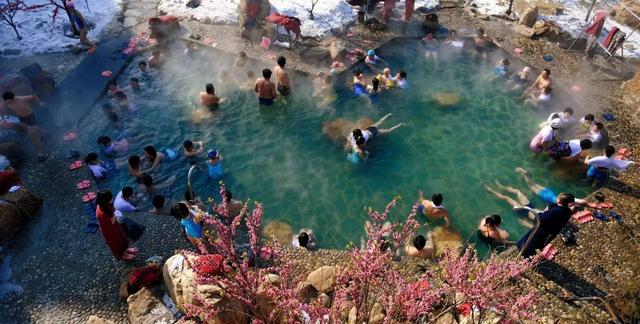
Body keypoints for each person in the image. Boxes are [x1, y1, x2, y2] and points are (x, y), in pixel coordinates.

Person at [517, 193, 575, 257]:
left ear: (558, 200)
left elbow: (541, 218)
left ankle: (525, 254)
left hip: (542, 230)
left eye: (558, 197)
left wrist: (540, 213)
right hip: (551, 232)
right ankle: (530, 253)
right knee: (540, 243)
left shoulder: (555, 211)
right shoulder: (568, 212)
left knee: (529, 242)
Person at [1, 91, 46, 158]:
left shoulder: (21, 99)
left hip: (30, 117)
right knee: (34, 131)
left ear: (12, 98)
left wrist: (40, 102)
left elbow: (34, 96)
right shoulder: (6, 101)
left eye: (9, 102)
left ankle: (41, 153)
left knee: (33, 136)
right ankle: (45, 133)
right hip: (22, 119)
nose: (8, 103)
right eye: (7, 102)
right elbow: (0, 108)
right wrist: (3, 119)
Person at [96, 191, 137, 260]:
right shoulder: (102, 213)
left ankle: (125, 249)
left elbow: (112, 212)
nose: (112, 199)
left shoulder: (104, 205)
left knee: (122, 237)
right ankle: (123, 254)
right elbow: (108, 225)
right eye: (110, 199)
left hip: (114, 224)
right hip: (110, 230)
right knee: (117, 242)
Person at [515, 167, 587, 206]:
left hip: (549, 192)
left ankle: (524, 173)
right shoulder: (560, 204)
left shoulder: (567, 199)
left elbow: (583, 201)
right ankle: (523, 173)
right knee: (530, 186)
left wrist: (578, 203)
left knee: (534, 184)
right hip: (544, 195)